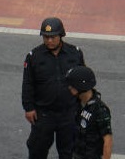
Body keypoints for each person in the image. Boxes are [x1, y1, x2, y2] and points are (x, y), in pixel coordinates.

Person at [22, 17, 86, 159]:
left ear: (61, 35)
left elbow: (83, 81)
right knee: (37, 151)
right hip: (43, 114)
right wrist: (28, 108)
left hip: (69, 113)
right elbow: (28, 83)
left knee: (68, 152)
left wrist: (86, 105)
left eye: (53, 37)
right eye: (46, 37)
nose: (49, 41)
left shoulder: (75, 53)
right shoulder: (34, 56)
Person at [66, 66, 113, 159]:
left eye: (72, 85)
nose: (69, 87)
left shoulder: (99, 110)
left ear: (80, 87)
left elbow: (108, 140)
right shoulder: (77, 103)